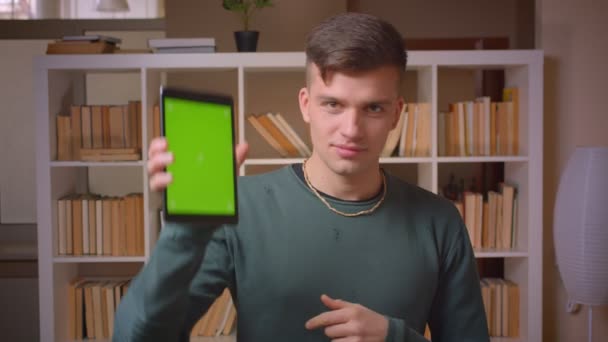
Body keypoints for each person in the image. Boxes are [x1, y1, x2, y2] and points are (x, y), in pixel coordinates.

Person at [113, 12, 489, 342]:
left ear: (397, 114)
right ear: (306, 105)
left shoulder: (440, 222)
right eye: (333, 105)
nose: (351, 129)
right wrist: (183, 231)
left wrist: (395, 338)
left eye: (373, 107)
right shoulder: (240, 206)